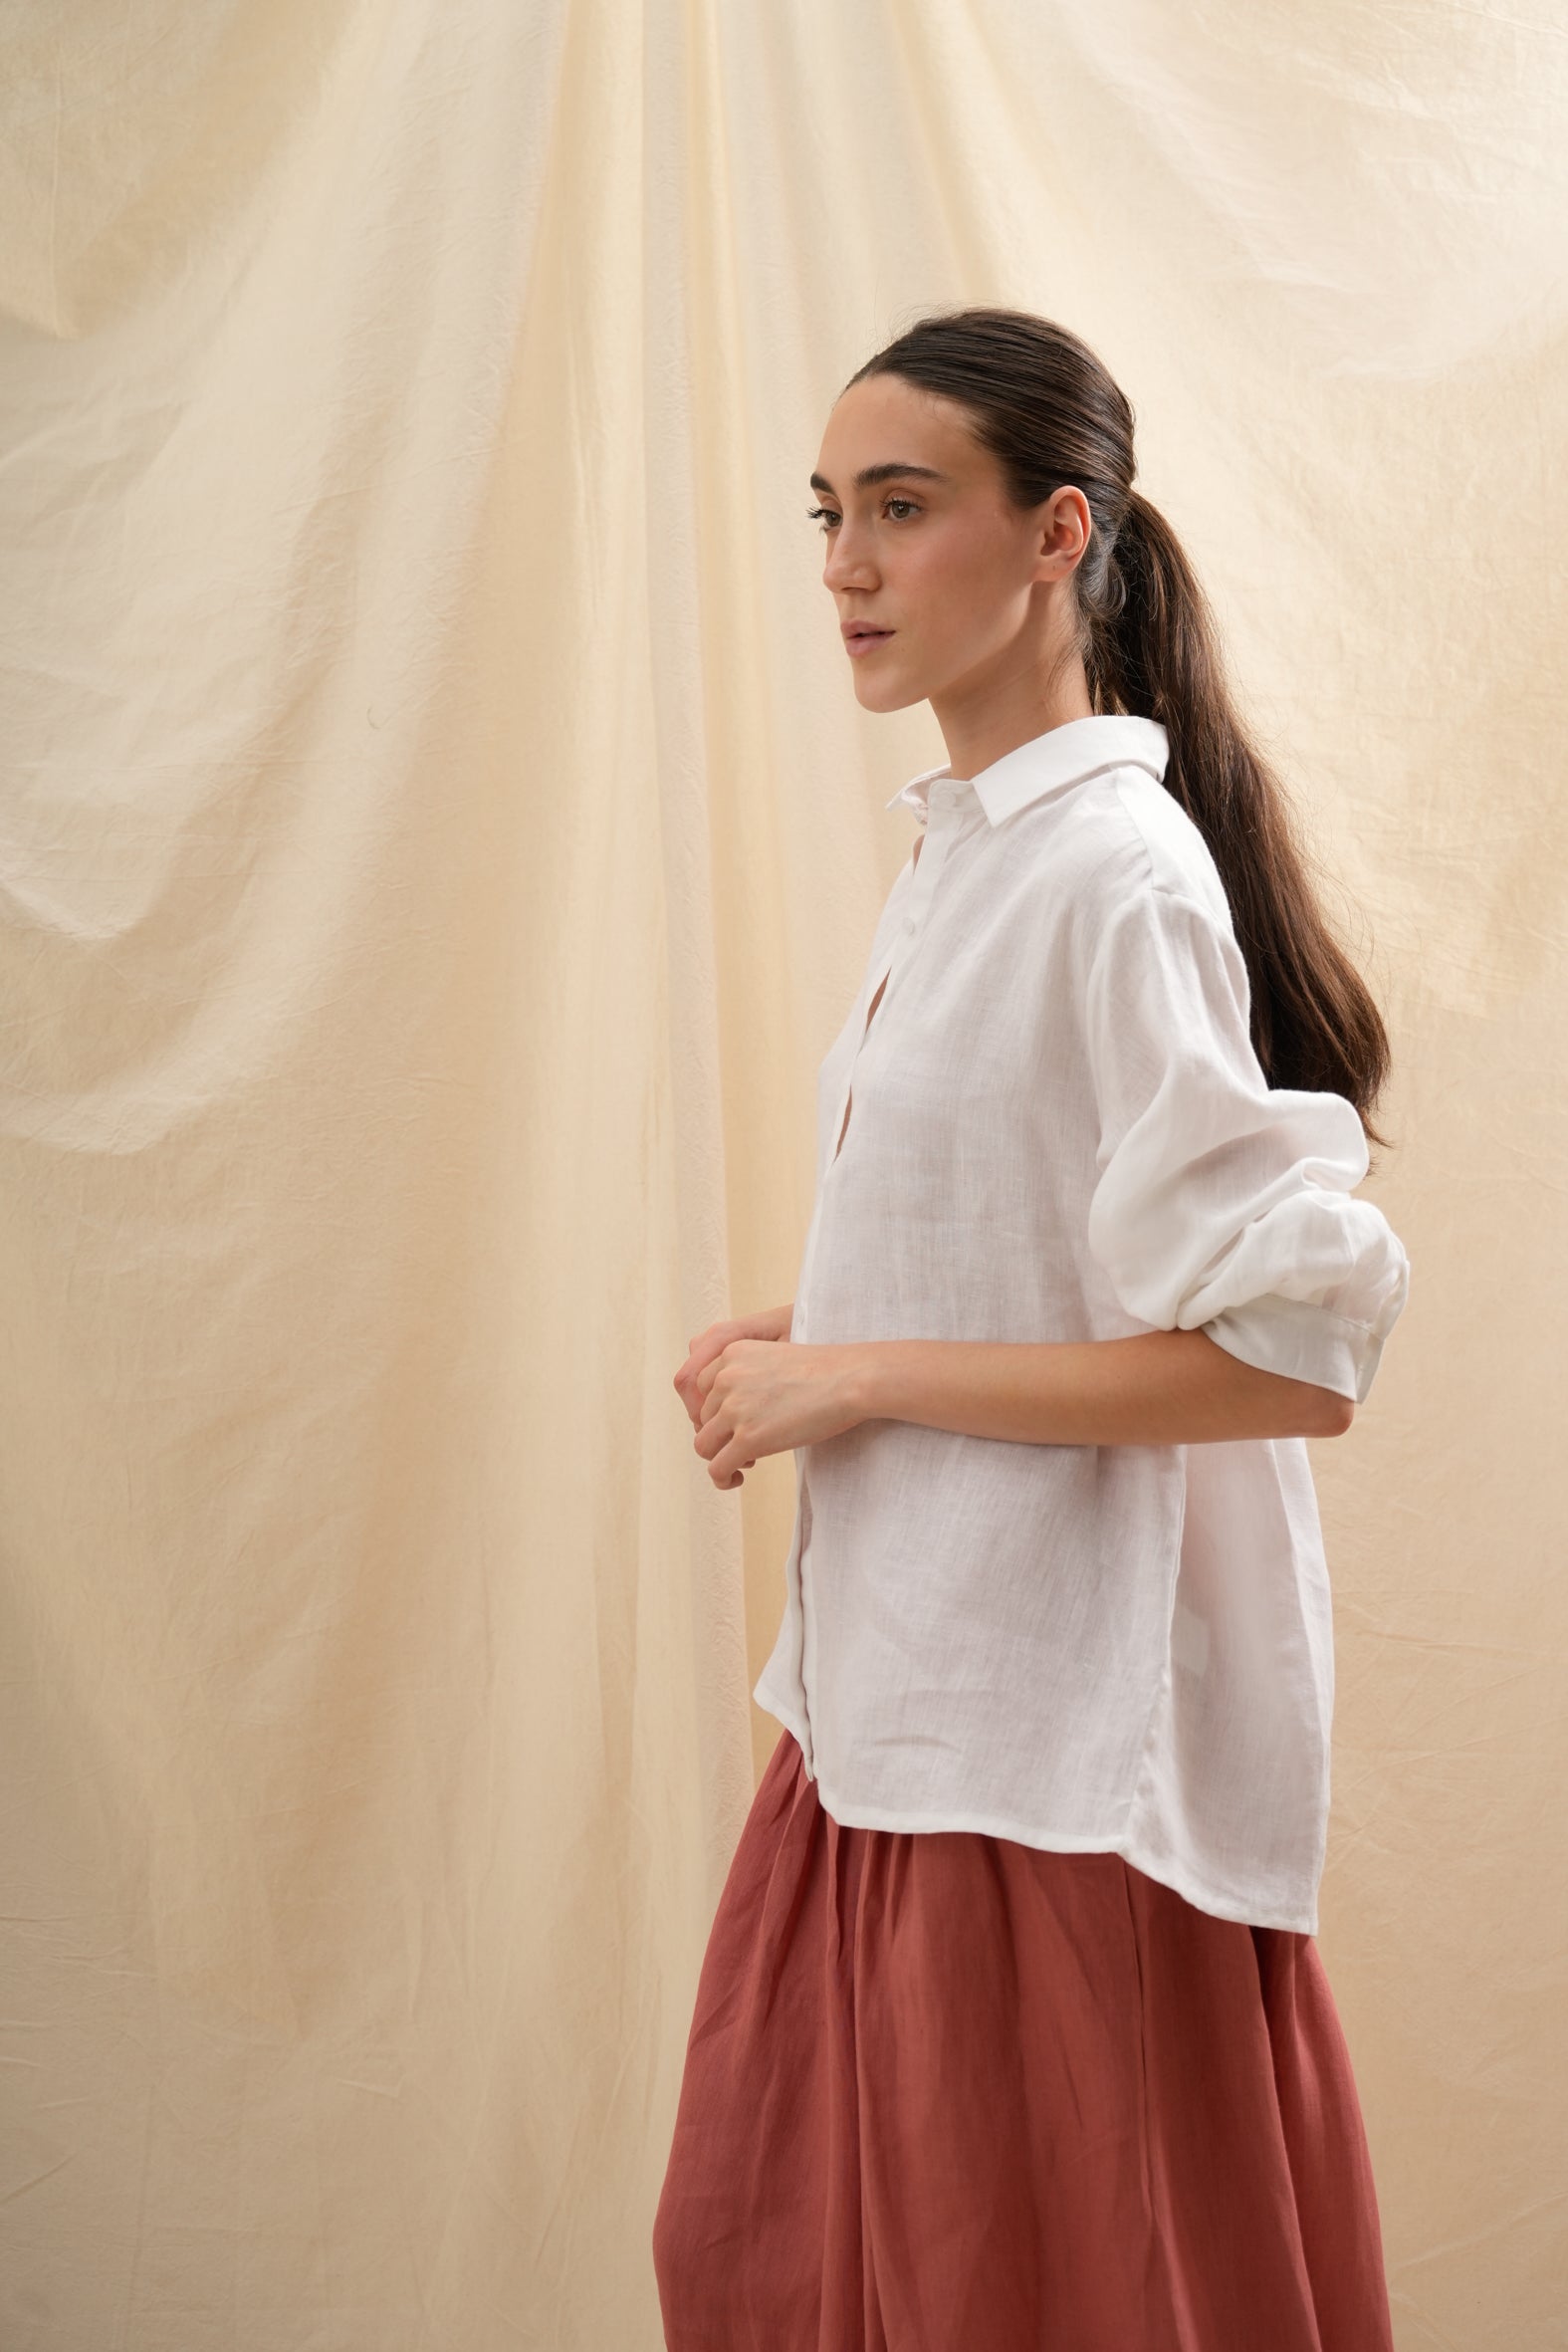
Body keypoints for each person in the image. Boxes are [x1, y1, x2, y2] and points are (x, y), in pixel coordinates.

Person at [652, 306, 1411, 2351]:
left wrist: (857, 1373)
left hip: (1042, 1750)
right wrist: (823, 1327)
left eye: (900, 508)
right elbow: (1058, 1255)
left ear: (1060, 531)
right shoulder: (970, 858)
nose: (846, 564)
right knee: (783, 2258)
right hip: (904, 1698)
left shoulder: (1108, 875)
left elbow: (1286, 1351)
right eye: (828, 514)